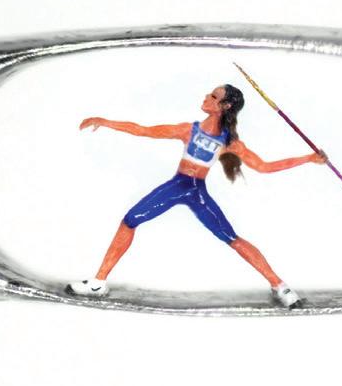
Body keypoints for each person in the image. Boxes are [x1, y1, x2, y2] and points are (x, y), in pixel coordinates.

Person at [67, 84, 326, 308]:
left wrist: (309, 158)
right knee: (130, 220)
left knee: (231, 238)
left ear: (224, 106)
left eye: (213, 97)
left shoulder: (230, 143)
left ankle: (281, 287)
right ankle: (98, 283)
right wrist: (104, 121)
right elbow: (143, 130)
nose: (206, 97)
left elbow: (264, 167)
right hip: (177, 185)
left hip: (196, 191)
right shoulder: (188, 130)